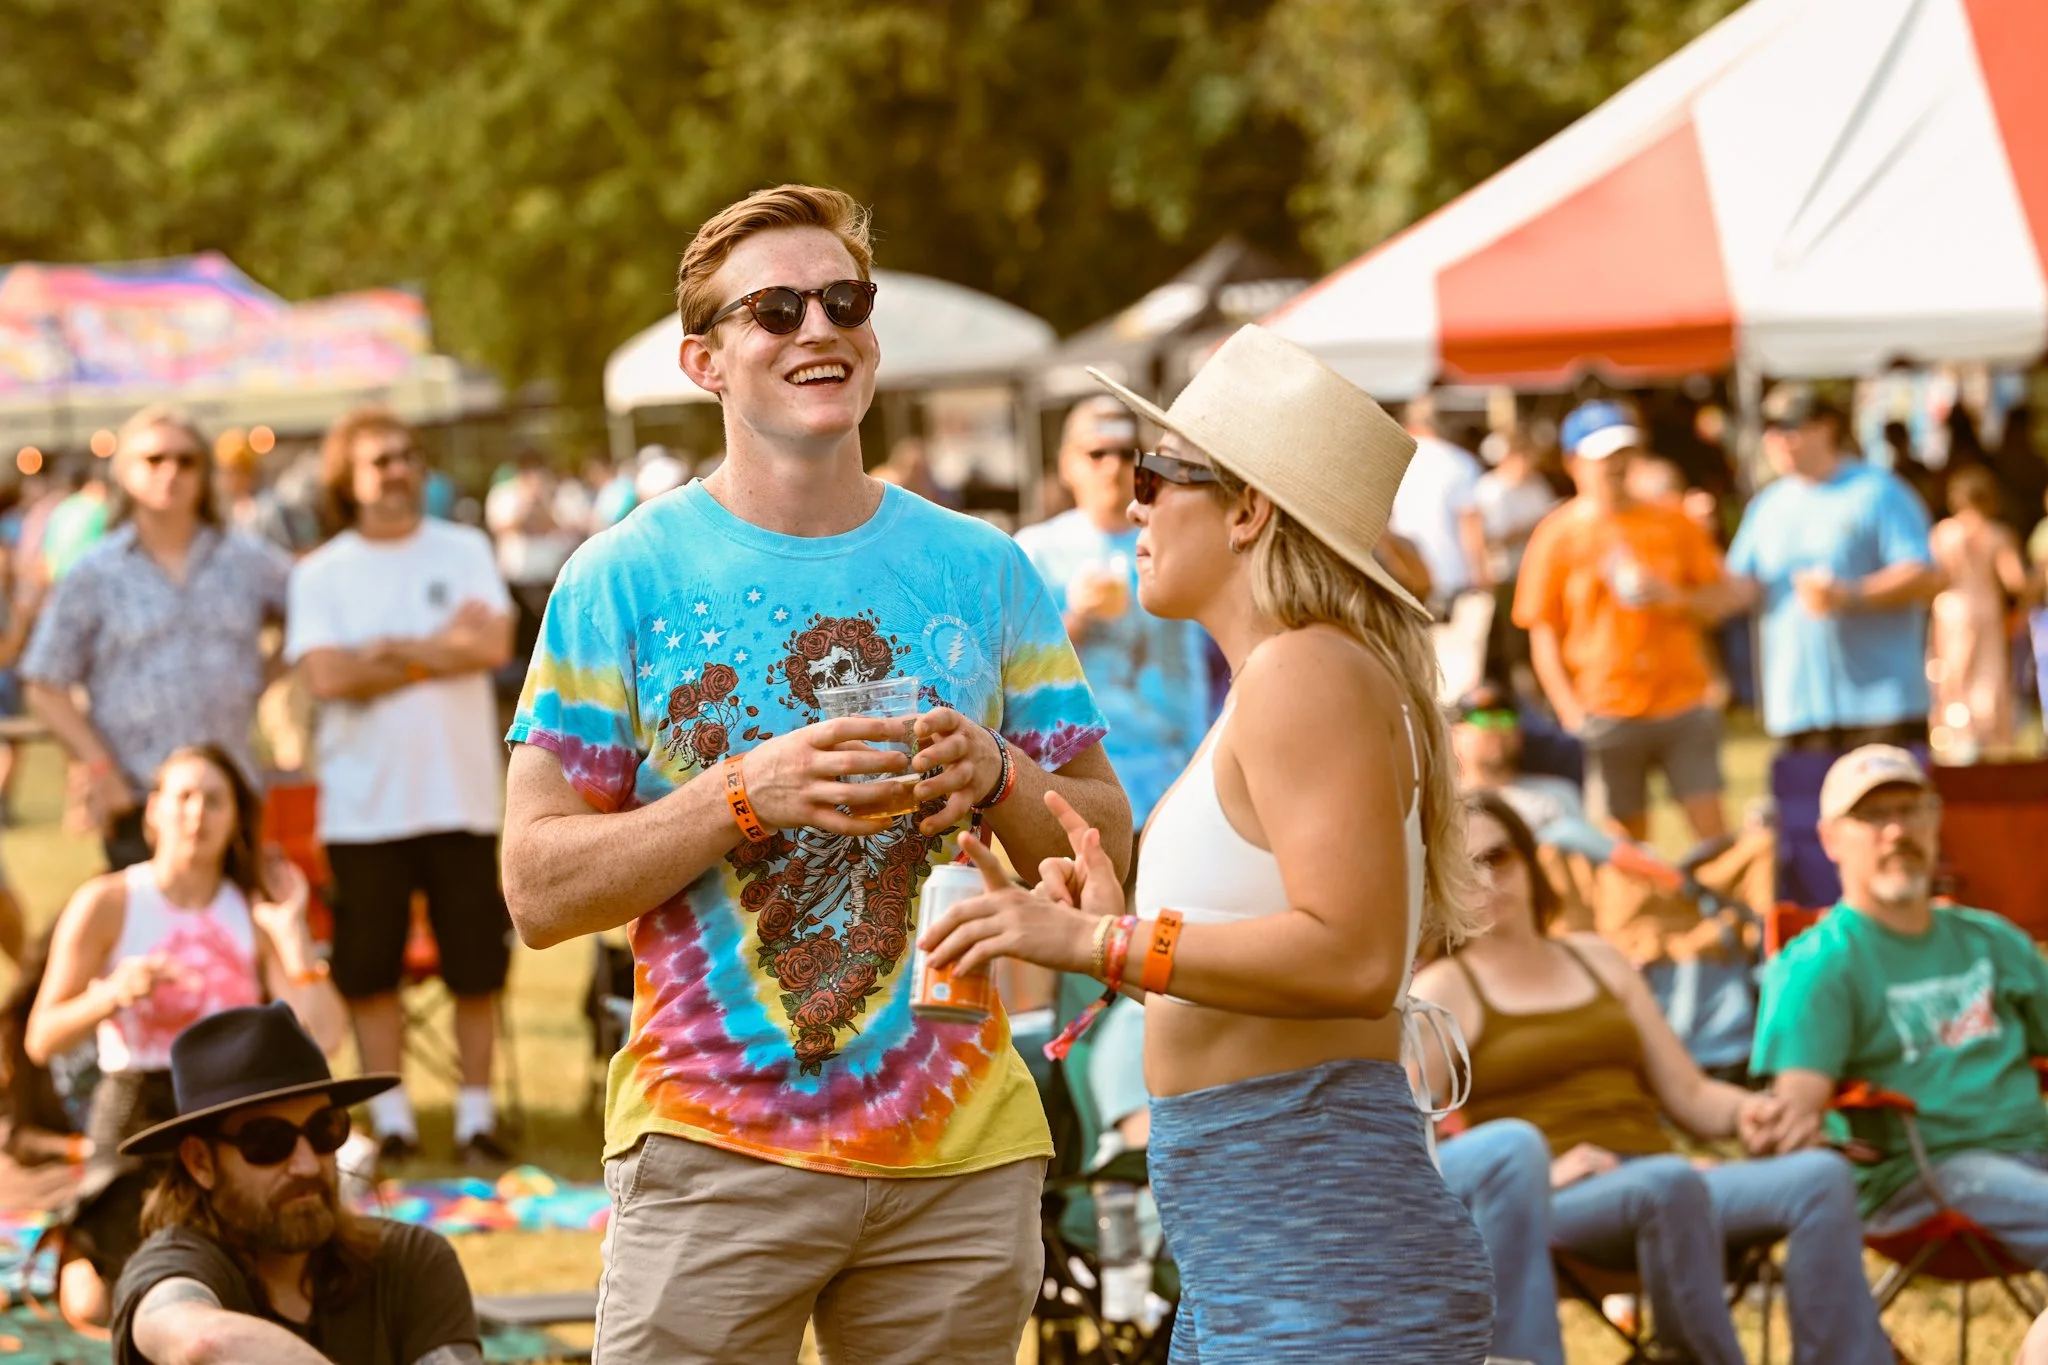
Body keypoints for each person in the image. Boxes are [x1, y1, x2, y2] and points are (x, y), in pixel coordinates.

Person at [501, 184, 1128, 1365]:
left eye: (842, 301)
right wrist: (739, 796)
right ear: (706, 361)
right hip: (713, 1147)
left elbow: (1104, 841)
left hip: (959, 1153)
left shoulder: (981, 568)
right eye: (774, 310)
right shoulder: (619, 578)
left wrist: (995, 771)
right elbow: (536, 889)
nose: (815, 330)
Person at [921, 325, 1495, 1360]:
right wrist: (1120, 935)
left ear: (1246, 510)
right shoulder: (1287, 676)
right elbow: (1274, 970)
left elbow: (1353, 960)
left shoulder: (1304, 674)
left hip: (1318, 1239)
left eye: (1155, 473)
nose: (1131, 502)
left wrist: (1098, 949)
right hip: (1265, 1239)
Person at [1413, 791, 1892, 1365]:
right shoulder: (1444, 989)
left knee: (1818, 1176)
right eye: (1464, 867)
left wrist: (1747, 1114)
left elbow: (1688, 1092)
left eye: (1500, 857)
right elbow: (1409, 1138)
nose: (1487, 881)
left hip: (1665, 1175)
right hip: (1561, 1199)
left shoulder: (1599, 959)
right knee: (1670, 1186)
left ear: (1532, 860)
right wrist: (1541, 1172)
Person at [25, 745, 347, 1324]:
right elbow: (40, 1038)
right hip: (134, 1115)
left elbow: (325, 1038)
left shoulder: (251, 909)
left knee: (249, 1296)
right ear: (154, 812)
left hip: (232, 1121)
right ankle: (80, 1242)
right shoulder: (109, 901)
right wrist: (112, 993)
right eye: (184, 798)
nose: (197, 814)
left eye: (214, 801)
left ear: (236, 819)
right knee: (99, 1306)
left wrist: (293, 935)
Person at [286, 407, 516, 1166]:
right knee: (370, 968)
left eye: (409, 455)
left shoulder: (465, 546)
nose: (399, 470)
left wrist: (390, 653)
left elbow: (494, 644)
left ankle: (477, 1118)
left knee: (475, 963)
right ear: (347, 480)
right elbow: (327, 675)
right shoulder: (321, 572)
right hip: (363, 808)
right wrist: (440, 649)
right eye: (381, 459)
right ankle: (393, 1121)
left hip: (463, 795)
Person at [1749, 745, 2048, 1270]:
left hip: (2033, 1151)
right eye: (1872, 816)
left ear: (1935, 820)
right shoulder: (1819, 965)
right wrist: (1791, 1126)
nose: (1896, 832)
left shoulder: (1992, 940)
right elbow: (1796, 1109)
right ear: (1830, 839)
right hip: (1925, 1176)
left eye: (1909, 810)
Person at [109, 1001, 481, 1365]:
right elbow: (201, 1342)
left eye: (324, 1130)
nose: (306, 1166)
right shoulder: (171, 1267)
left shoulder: (411, 1262)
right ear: (200, 1162)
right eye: (268, 1141)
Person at [22, 405, 292, 870]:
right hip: (139, 795)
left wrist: (263, 676)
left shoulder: (247, 559)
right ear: (123, 473)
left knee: (230, 937)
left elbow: (312, 615)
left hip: (228, 792)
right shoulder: (96, 572)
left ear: (205, 472)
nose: (171, 472)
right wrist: (99, 767)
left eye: (186, 460)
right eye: (154, 460)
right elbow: (45, 682)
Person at [1513, 400, 1732, 843]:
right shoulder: (1556, 535)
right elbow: (1543, 634)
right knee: (1624, 846)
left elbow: (1719, 600)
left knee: (1712, 835)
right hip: (1605, 707)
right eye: (1604, 457)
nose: (1616, 466)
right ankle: (1638, 917)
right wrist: (1570, 710)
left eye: (1623, 453)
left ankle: (1717, 913)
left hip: (1682, 699)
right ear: (1574, 462)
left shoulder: (1672, 520)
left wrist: (1674, 597)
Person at [1016, 396, 1215, 831]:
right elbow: (1011, 675)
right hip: (1074, 783)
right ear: (1068, 463)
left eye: (1126, 454)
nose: (1112, 466)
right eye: (1096, 453)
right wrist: (1076, 617)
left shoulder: (1170, 542)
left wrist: (1203, 764)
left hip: (1167, 773)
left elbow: (1192, 665)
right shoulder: (1035, 552)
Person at [1724, 386, 1941, 751]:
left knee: (1892, 808)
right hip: (1798, 705)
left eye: (1790, 428)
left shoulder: (1878, 491)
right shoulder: (1767, 506)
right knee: (1805, 809)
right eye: (1771, 430)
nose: (1778, 440)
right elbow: (1739, 586)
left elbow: (1923, 574)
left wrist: (1851, 595)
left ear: (1826, 428)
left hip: (1882, 704)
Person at [1928, 464, 2027, 761]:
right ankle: (1985, 741)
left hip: (1950, 609)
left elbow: (1934, 577)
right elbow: (2017, 581)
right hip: (1984, 608)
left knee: (1952, 676)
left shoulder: (1943, 533)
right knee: (1987, 676)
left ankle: (1956, 741)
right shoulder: (1996, 534)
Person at [1389, 393, 1490, 617]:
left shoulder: (1392, 459)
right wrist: (1482, 576)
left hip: (1403, 576)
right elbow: (1470, 525)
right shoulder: (1460, 462)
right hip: (1450, 579)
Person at [1474, 423, 1558, 688]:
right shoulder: (1491, 489)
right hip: (1507, 576)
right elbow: (1491, 536)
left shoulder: (1536, 485)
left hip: (1536, 572)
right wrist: (1535, 524)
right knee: (1513, 643)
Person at [1450, 680, 1584, 833]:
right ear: (1454, 735)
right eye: (1481, 718)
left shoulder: (1557, 796)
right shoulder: (1443, 801)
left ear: (1520, 734)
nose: (1496, 727)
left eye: (1505, 718)